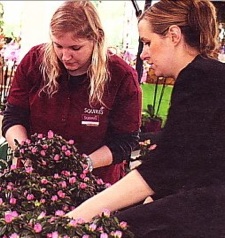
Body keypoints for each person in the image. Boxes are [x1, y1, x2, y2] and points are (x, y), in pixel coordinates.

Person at [66, 0, 225, 237]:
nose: (144, 54)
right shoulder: (207, 75)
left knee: (112, 228)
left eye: (148, 43)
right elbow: (190, 158)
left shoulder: (200, 77)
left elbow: (164, 167)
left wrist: (76, 217)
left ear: (173, 35)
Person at [1, 0, 142, 185]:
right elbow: (13, 117)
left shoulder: (121, 76)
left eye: (75, 48)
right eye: (58, 46)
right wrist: (27, 153)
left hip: (94, 184)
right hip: (33, 180)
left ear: (97, 39)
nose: (65, 56)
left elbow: (125, 141)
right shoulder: (34, 62)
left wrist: (84, 165)